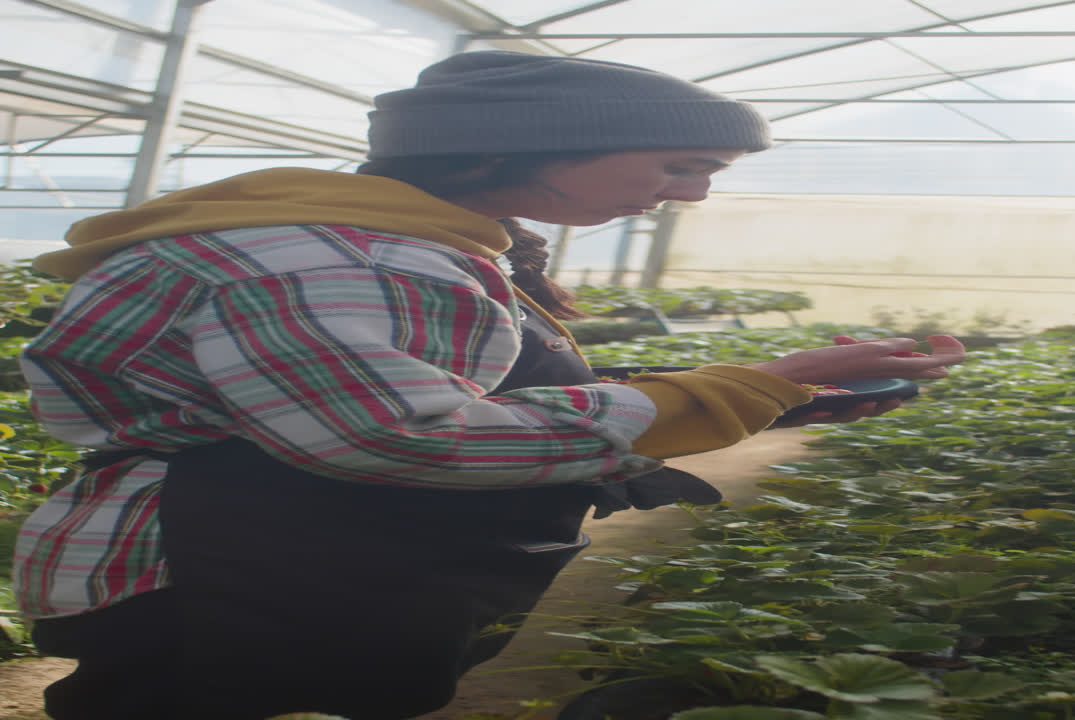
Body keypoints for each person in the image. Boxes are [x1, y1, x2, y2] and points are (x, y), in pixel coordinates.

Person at [11, 51, 966, 720]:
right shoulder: (322, 259)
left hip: (278, 547)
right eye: (681, 166)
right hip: (199, 571)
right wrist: (742, 387)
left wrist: (783, 386)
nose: (691, 193)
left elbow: (410, 396)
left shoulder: (392, 243)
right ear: (509, 149)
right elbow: (403, 435)